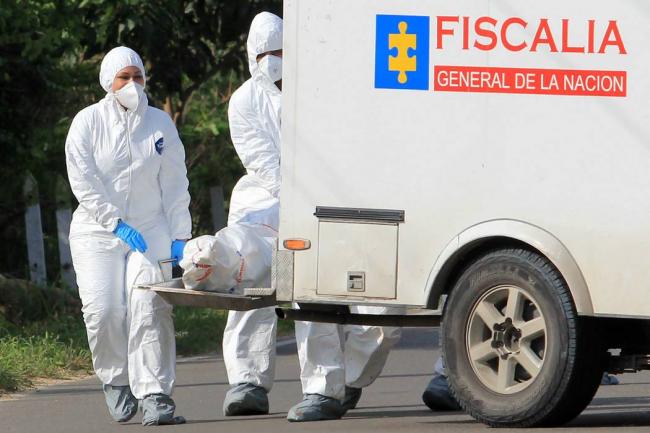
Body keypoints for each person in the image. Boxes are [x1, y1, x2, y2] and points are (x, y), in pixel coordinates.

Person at [220, 12, 403, 423]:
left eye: (282, 51)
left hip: (331, 204)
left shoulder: (320, 89)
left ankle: (345, 379)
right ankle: (250, 381)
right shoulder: (244, 101)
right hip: (266, 205)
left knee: (364, 304)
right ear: (252, 57)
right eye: (266, 54)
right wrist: (303, 208)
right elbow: (264, 164)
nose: (275, 61)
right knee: (257, 287)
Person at [65, 46, 191, 426]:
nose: (132, 84)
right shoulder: (87, 123)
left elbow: (175, 182)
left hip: (150, 227)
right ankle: (116, 379)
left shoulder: (159, 123)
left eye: (138, 77)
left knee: (149, 305)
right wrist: (114, 222)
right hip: (96, 230)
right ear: (109, 81)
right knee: (104, 311)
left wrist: (180, 235)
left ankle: (155, 394)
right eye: (124, 77)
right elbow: (83, 180)